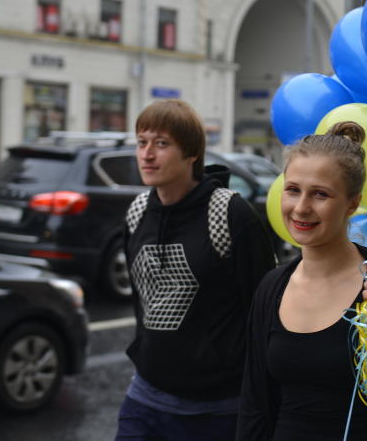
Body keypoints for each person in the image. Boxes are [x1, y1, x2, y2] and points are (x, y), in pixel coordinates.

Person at [237, 121, 367, 441]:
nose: (301, 207)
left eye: (320, 194)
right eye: (293, 190)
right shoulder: (273, 287)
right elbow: (256, 404)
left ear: (352, 203)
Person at [116, 99, 277, 441]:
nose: (147, 154)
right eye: (142, 142)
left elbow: (263, 308)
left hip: (218, 408)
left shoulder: (229, 214)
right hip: (147, 396)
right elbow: (141, 301)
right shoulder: (138, 212)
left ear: (191, 154)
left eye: (161, 144)